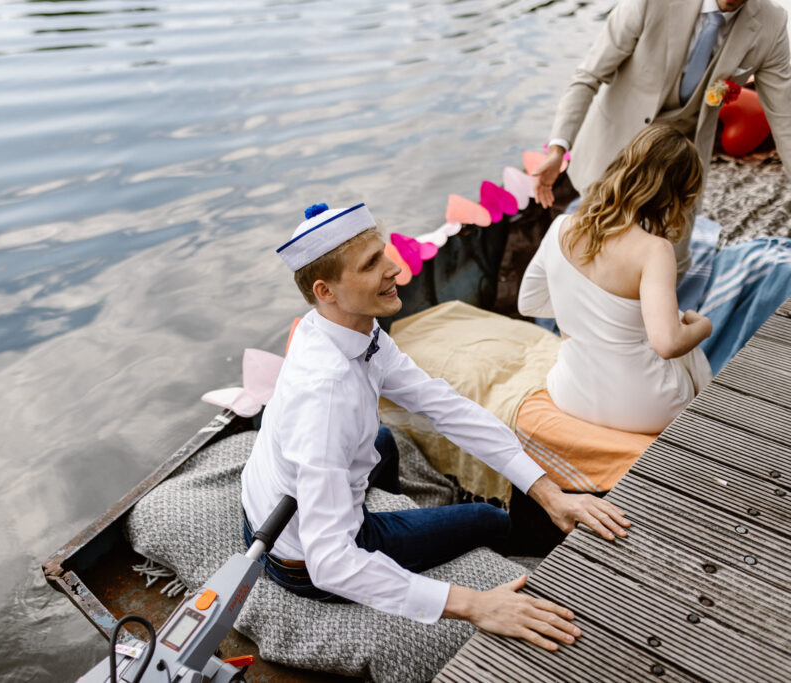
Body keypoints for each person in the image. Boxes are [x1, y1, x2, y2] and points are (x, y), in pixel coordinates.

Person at [241, 201, 630, 651]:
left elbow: (445, 406)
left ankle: (391, 509)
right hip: (299, 560)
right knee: (486, 518)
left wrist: (549, 493)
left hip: (268, 508)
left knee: (383, 442)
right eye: (371, 265)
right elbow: (331, 563)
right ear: (326, 290)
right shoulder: (326, 397)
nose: (393, 268)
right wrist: (475, 605)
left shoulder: (345, 329)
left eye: (384, 253)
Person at [532, 0, 791, 280]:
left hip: (684, 153)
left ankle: (661, 316)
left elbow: (784, 117)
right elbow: (588, 76)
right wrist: (558, 149)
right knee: (595, 250)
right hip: (617, 145)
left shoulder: (772, 23)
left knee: (673, 258)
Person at [518, 124, 714, 434]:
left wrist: (585, 315)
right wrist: (703, 327)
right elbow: (667, 343)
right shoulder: (655, 251)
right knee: (682, 334)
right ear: (674, 196)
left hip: (570, 394)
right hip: (648, 409)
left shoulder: (560, 227)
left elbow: (528, 302)